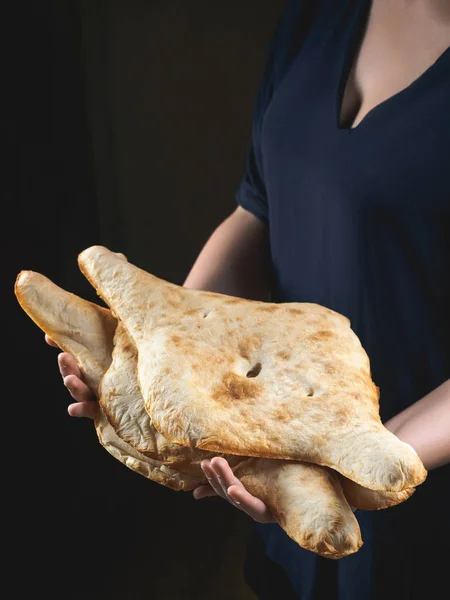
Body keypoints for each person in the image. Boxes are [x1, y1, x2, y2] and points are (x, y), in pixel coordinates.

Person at [46, 0, 450, 598]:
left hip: (417, 504)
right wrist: (170, 361)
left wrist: (345, 468)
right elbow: (257, 211)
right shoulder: (319, 17)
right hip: (284, 480)